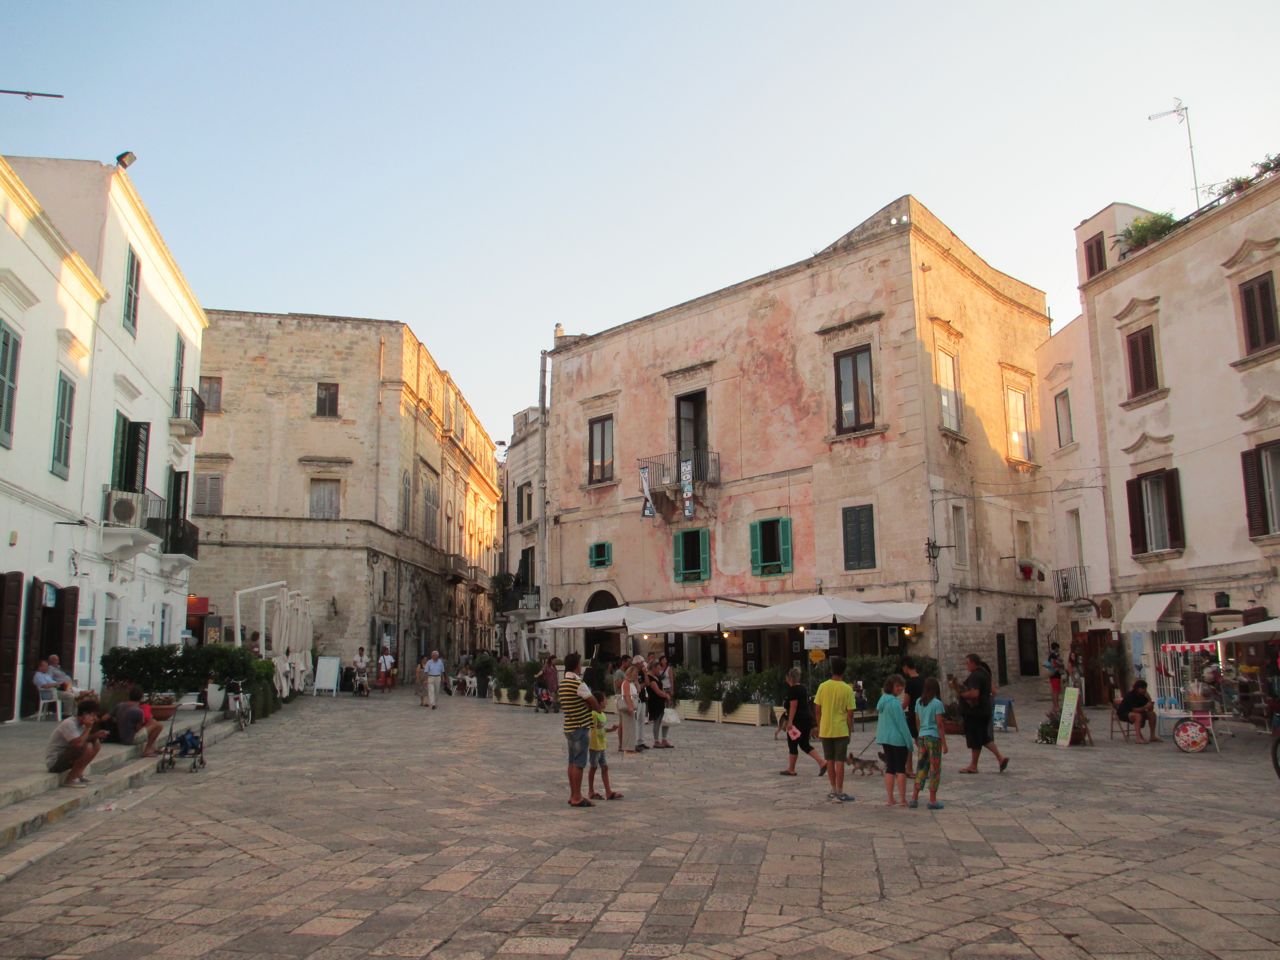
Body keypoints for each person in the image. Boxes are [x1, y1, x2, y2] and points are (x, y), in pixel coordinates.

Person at [559, 652, 603, 807]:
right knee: (579, 763)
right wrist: (594, 708)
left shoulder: (563, 682)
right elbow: (595, 703)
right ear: (577, 665)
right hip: (580, 726)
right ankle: (577, 796)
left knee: (571, 762)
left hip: (569, 726)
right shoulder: (578, 684)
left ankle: (573, 794)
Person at [953, 654, 1009, 774]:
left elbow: (974, 693)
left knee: (975, 738)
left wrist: (962, 694)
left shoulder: (975, 676)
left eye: (967, 663)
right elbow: (992, 691)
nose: (966, 665)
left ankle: (973, 766)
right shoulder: (985, 673)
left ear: (973, 663)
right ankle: (1000, 758)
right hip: (985, 709)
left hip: (976, 712)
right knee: (984, 738)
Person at [813, 656, 856, 803]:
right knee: (840, 761)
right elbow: (850, 713)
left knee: (829, 760)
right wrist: (849, 731)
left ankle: (832, 789)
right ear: (844, 671)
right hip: (841, 729)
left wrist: (819, 726)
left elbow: (817, 710)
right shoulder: (847, 689)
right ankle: (840, 790)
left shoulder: (823, 687)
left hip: (825, 728)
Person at [46, 700, 107, 787]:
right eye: (93, 715)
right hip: (55, 762)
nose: (94, 718)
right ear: (85, 714)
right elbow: (78, 744)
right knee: (88, 747)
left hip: (68, 756)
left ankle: (78, 774)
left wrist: (95, 735)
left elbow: (83, 739)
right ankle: (71, 778)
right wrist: (88, 728)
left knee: (96, 743)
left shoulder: (81, 725)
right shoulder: (69, 723)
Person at [909, 677, 947, 810]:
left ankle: (914, 797)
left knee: (921, 766)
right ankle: (932, 799)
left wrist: (920, 735)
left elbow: (917, 720)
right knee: (935, 768)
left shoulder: (918, 702)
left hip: (922, 737)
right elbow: (940, 724)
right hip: (934, 738)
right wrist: (944, 743)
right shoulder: (937, 703)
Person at [780, 667, 825, 776]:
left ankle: (791, 769)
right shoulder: (803, 688)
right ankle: (822, 762)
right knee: (804, 744)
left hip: (797, 722)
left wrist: (790, 722)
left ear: (789, 678)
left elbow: (793, 706)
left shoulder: (793, 690)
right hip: (806, 720)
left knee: (792, 744)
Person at [876, 674, 913, 806]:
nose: (900, 689)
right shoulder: (895, 704)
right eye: (897, 686)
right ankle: (902, 799)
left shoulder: (882, 701)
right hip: (898, 740)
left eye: (901, 686)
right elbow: (902, 725)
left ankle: (890, 798)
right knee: (900, 769)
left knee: (890, 768)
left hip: (886, 740)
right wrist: (909, 743)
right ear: (891, 686)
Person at [586, 693, 623, 801]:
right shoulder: (593, 714)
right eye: (605, 699)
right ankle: (591, 791)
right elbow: (592, 728)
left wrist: (611, 730)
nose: (607, 701)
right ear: (599, 702)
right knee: (593, 767)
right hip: (594, 746)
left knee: (604, 767)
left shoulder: (602, 714)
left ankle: (608, 792)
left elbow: (601, 729)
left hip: (601, 745)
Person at [111, 686, 163, 756]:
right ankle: (147, 750)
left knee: (153, 722)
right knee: (159, 726)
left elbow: (105, 717)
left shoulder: (119, 705)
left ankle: (153, 748)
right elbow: (138, 729)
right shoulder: (138, 711)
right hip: (131, 739)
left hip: (121, 736)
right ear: (141, 698)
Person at [1117, 679, 1160, 743]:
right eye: (1142, 688)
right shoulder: (1130, 695)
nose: (1144, 690)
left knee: (1152, 714)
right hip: (1124, 712)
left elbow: (1150, 709)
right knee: (1138, 716)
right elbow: (1134, 709)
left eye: (1145, 688)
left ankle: (1152, 736)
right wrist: (1145, 707)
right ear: (1137, 688)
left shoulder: (1143, 695)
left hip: (1138, 711)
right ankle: (1138, 738)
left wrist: (1149, 700)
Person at [645, 658, 673, 748]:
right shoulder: (650, 678)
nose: (659, 670)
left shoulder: (656, 676)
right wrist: (666, 696)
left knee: (665, 720)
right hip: (655, 702)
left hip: (661, 702)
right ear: (653, 668)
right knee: (657, 721)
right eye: (658, 668)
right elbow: (657, 691)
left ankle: (664, 739)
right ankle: (656, 741)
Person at [617, 662, 640, 755]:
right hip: (628, 708)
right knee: (628, 728)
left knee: (631, 728)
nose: (637, 675)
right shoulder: (626, 683)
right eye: (636, 674)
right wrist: (630, 707)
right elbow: (627, 695)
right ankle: (627, 748)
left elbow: (638, 690)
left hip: (632, 706)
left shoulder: (632, 683)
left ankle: (630, 747)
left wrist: (637, 682)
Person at [901, 658, 924, 742]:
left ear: (906, 667)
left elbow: (906, 703)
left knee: (917, 739)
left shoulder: (909, 682)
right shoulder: (923, 679)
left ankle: (924, 755)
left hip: (913, 714)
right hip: (924, 712)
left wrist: (896, 709)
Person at [1046, 642, 1065, 713]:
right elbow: (1055, 664)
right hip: (1055, 675)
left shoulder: (1052, 655)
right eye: (1058, 648)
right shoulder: (1053, 655)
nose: (1059, 649)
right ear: (1056, 648)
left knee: (1055, 690)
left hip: (1055, 675)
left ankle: (1055, 706)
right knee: (1056, 691)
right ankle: (1056, 706)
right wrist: (1060, 664)